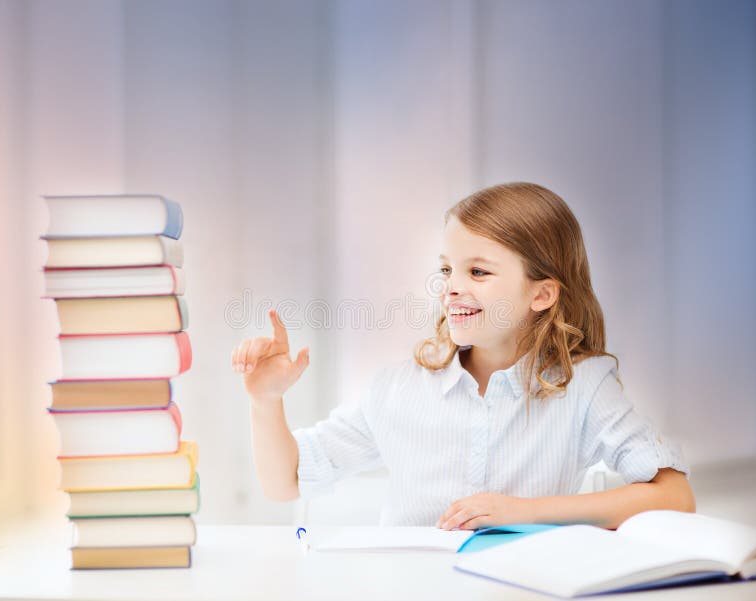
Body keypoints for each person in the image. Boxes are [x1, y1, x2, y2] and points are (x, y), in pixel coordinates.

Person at [231, 182, 695, 529]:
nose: (453, 285)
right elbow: (285, 482)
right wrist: (265, 401)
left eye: (478, 270)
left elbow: (675, 496)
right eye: (448, 269)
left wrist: (523, 513)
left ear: (542, 294)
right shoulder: (399, 388)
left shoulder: (584, 386)